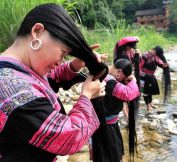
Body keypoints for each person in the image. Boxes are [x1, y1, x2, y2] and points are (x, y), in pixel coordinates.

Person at [0, 3, 108, 162]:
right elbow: (68, 138)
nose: (60, 61)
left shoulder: (14, 67)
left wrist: (73, 66)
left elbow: (44, 81)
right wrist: (86, 96)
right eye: (63, 53)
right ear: (37, 32)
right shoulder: (15, 91)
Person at [92, 59, 140, 162]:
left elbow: (120, 99)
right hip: (106, 126)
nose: (123, 80)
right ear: (119, 72)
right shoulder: (109, 81)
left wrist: (125, 113)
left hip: (107, 124)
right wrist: (134, 81)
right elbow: (128, 94)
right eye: (124, 77)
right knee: (110, 156)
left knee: (106, 154)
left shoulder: (104, 74)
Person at [113, 36, 140, 120]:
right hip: (123, 76)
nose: (131, 48)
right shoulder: (121, 55)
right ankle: (126, 114)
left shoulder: (125, 52)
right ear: (126, 46)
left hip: (125, 75)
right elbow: (125, 66)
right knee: (124, 98)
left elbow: (132, 63)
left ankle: (126, 113)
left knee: (124, 99)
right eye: (130, 47)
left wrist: (136, 55)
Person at [140, 46, 170, 110]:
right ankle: (148, 105)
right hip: (144, 76)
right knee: (145, 91)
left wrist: (164, 65)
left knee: (150, 91)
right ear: (153, 49)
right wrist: (140, 76)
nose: (156, 55)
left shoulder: (155, 57)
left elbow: (159, 63)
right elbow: (139, 66)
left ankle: (150, 103)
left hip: (151, 76)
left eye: (157, 54)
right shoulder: (145, 56)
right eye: (155, 53)